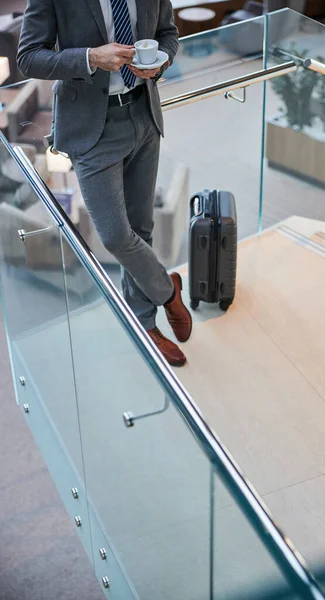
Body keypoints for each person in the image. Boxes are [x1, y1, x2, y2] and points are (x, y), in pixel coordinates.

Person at [17, 0, 192, 367]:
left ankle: (144, 325)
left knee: (141, 230)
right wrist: (90, 58)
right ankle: (167, 290)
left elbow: (168, 35)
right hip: (91, 129)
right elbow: (28, 57)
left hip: (144, 114)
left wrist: (161, 62)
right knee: (115, 235)